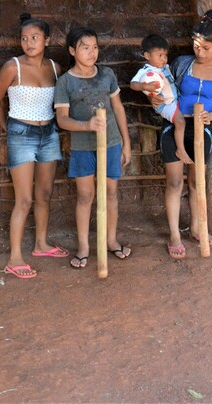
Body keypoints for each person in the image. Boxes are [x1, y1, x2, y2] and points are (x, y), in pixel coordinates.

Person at [149, 12, 212, 259]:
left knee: (196, 181)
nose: (201, 52)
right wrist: (156, 97)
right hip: (175, 126)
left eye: (207, 48)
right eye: (197, 46)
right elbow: (163, 86)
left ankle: (197, 228)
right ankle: (174, 235)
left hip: (204, 130)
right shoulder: (181, 64)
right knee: (175, 182)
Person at [0, 13, 67, 279]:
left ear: (47, 40)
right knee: (24, 199)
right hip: (21, 133)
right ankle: (14, 258)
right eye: (24, 39)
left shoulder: (56, 68)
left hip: (49, 133)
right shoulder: (13, 67)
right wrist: (9, 129)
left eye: (35, 38)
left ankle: (41, 244)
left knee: (44, 194)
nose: (29, 43)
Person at [54, 27, 132, 269]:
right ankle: (84, 247)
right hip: (82, 147)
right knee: (86, 195)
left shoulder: (107, 75)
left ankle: (110, 240)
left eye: (95, 47)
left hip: (111, 143)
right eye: (85, 47)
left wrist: (126, 143)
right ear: (72, 51)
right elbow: (62, 119)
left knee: (110, 193)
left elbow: (118, 109)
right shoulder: (66, 82)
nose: (91, 52)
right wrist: (86, 124)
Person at [130, 34, 191, 164]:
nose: (164, 59)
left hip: (174, 101)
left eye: (165, 55)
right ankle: (180, 149)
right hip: (165, 104)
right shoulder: (146, 71)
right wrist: (144, 86)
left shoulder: (165, 67)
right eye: (160, 56)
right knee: (180, 122)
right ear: (147, 56)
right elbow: (133, 84)